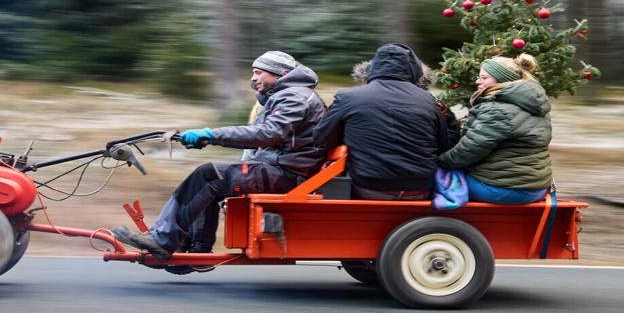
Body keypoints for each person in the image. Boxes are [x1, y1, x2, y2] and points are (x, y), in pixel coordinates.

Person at [112, 51, 328, 258]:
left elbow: (267, 134)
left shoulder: (296, 96)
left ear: (280, 73)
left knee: (209, 175)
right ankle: (195, 246)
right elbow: (261, 141)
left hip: (288, 174)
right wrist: (209, 140)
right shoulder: (287, 95)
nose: (253, 78)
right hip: (279, 168)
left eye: (258, 72)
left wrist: (210, 135)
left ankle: (162, 240)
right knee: (214, 176)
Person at [315, 43, 460, 200]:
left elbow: (322, 138)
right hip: (419, 189)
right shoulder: (429, 101)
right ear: (414, 70)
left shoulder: (348, 97)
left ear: (373, 68)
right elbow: (443, 144)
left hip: (368, 186)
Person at [435, 54, 553, 207]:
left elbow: (468, 151)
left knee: (440, 176)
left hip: (505, 189)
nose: (477, 81)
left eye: (484, 78)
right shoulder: (531, 104)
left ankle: (443, 218)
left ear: (501, 80)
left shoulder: (497, 109)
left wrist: (437, 161)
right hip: (535, 187)